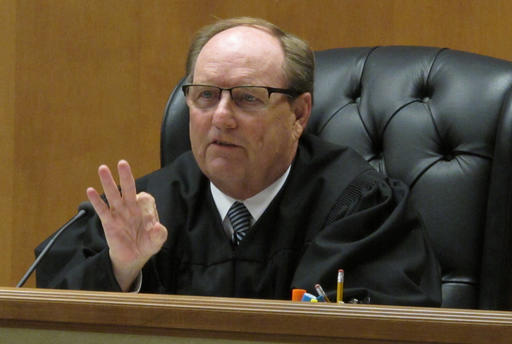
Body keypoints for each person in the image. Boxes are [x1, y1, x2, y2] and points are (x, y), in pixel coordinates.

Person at [35, 17, 441, 306]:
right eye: (206, 96)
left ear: (299, 115)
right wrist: (120, 271)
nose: (221, 117)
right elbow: (47, 318)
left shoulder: (359, 206)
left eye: (248, 97)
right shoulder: (146, 208)